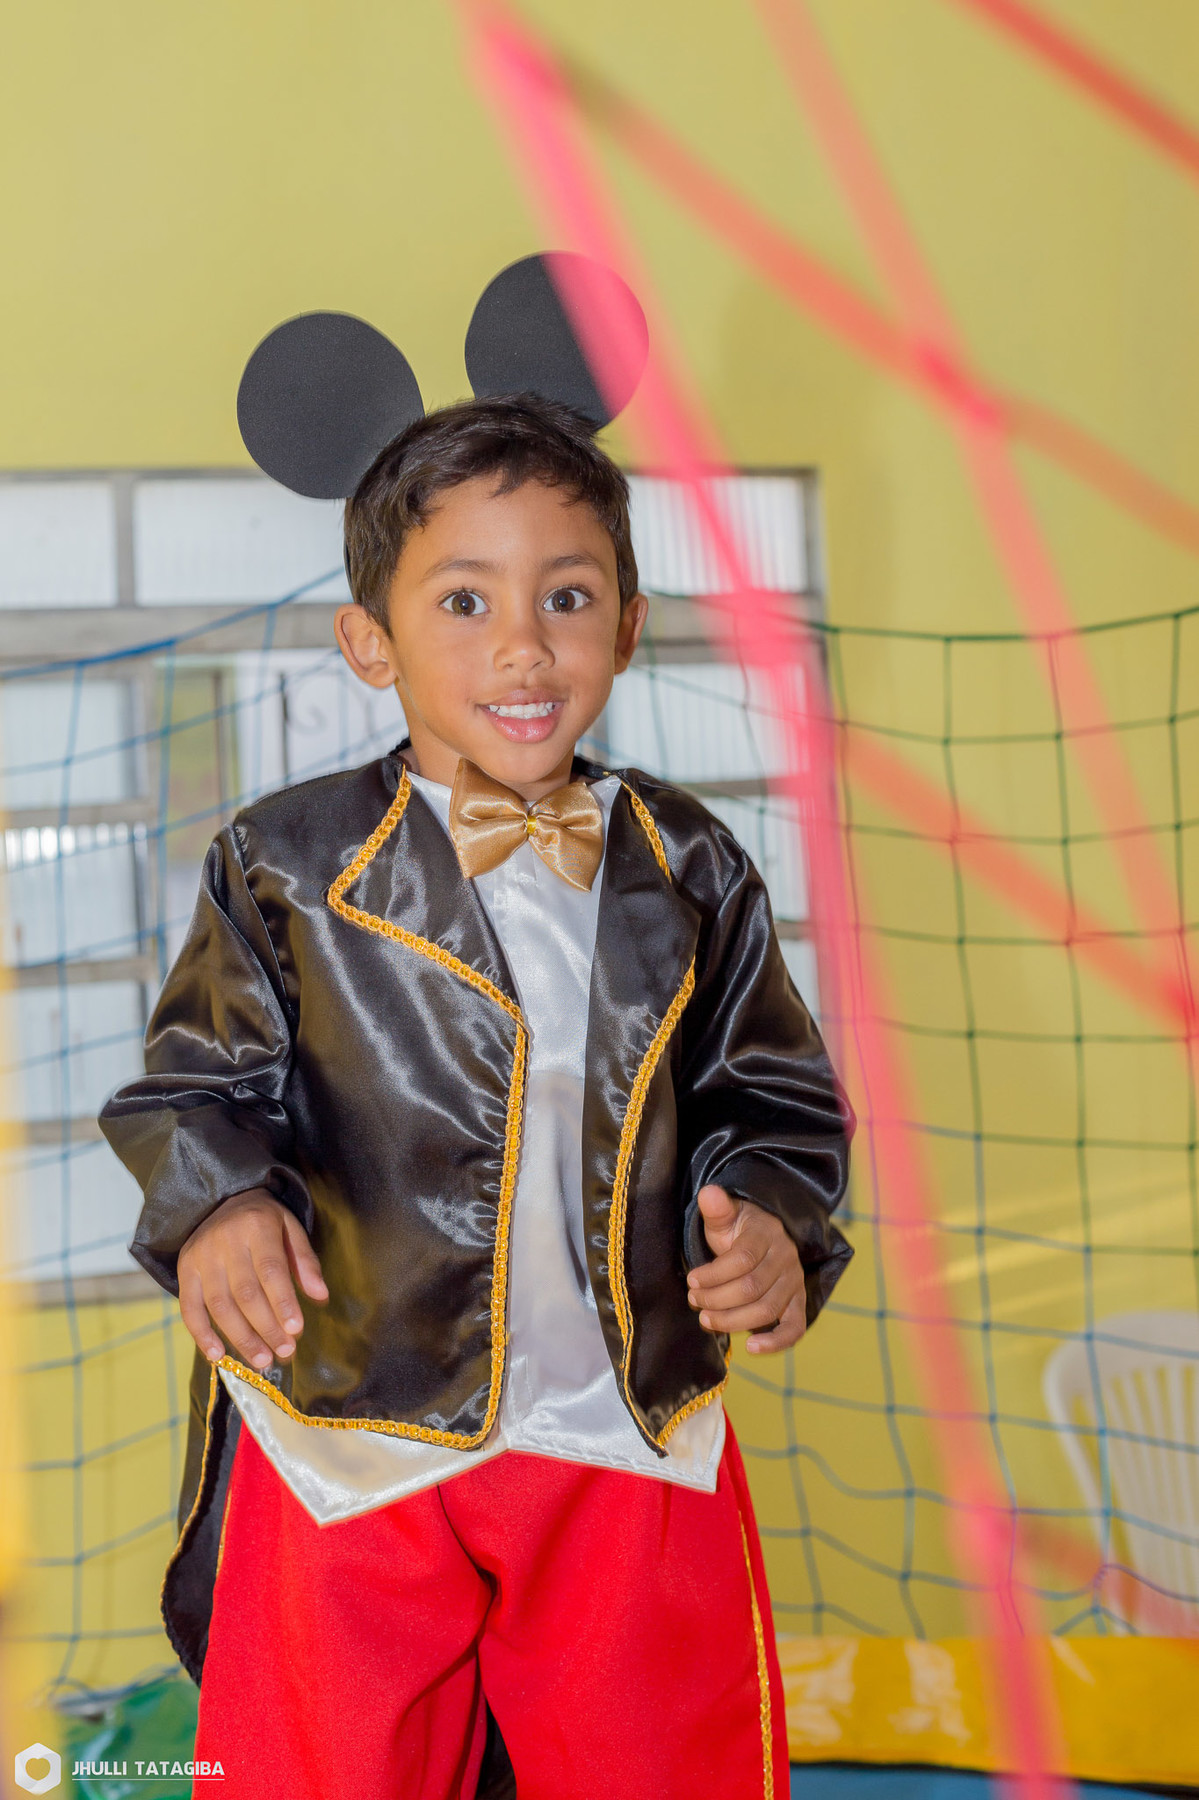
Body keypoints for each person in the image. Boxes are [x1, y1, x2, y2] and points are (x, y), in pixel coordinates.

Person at [100, 260, 853, 1800]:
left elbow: (770, 1101)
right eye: (464, 601)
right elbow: (195, 1087)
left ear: (628, 625)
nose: (523, 646)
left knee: (666, 1764)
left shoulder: (693, 866)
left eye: (565, 597)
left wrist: (777, 1221)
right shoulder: (284, 861)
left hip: (625, 1432)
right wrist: (222, 1208)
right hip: (351, 1430)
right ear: (368, 640)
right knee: (326, 1770)